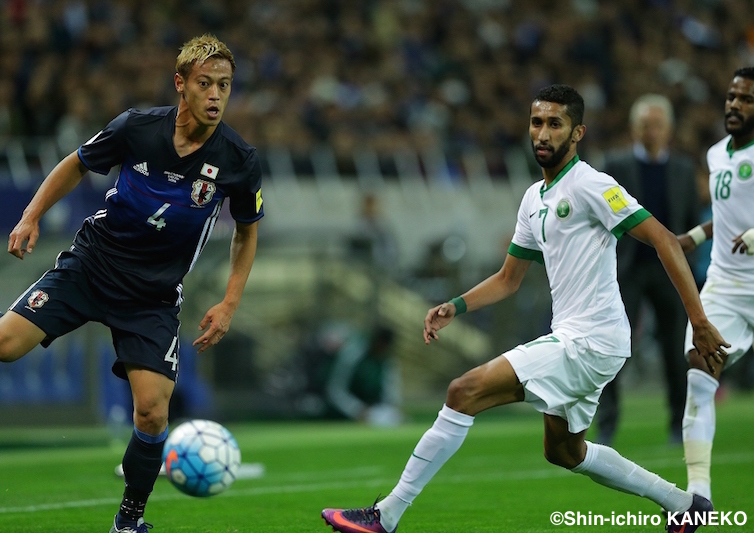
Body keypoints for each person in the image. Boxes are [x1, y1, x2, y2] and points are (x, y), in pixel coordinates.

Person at [320, 85, 728, 533]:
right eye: (537, 122)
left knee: (463, 391)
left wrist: (700, 321)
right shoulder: (535, 199)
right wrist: (457, 305)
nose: (543, 132)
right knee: (565, 453)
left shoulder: (593, 185)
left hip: (591, 339)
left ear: (577, 133)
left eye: (555, 124)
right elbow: (508, 279)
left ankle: (386, 515)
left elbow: (665, 240)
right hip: (583, 339)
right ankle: (683, 504)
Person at [0, 34, 263, 533]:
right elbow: (76, 164)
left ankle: (129, 521)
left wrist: (229, 301)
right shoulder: (136, 128)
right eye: (205, 83)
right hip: (92, 267)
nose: (215, 95)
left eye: (224, 86)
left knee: (152, 413)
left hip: (152, 296)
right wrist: (31, 217)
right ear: (181, 85)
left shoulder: (239, 160)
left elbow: (247, 233)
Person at [596, 94, 701, 446]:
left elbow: (688, 222)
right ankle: (607, 424)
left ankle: (678, 423)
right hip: (626, 271)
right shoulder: (614, 165)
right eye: (644, 125)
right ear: (633, 128)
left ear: (668, 129)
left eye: (657, 125)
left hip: (669, 271)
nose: (651, 131)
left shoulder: (684, 170)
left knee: (676, 349)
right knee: (613, 348)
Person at [677, 67, 754, 504]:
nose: (735, 106)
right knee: (699, 371)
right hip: (726, 284)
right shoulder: (715, 155)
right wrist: (697, 236)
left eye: (746, 99)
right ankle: (698, 494)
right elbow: (729, 213)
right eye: (731, 97)